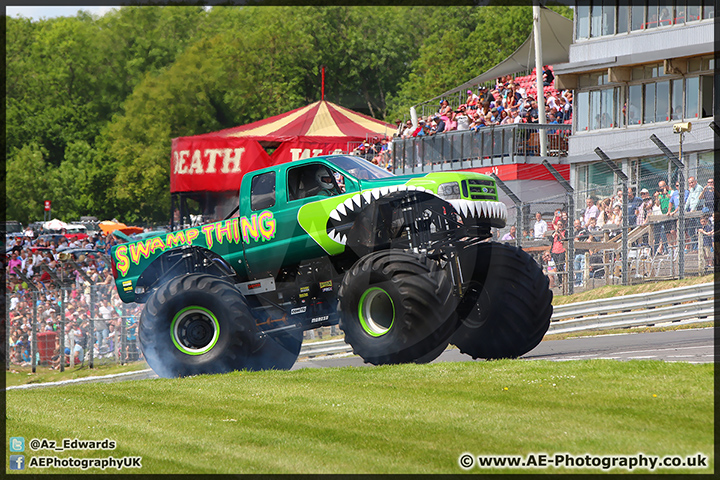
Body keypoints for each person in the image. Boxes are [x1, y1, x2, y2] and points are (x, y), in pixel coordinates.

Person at [551, 221, 567, 287]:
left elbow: (565, 240)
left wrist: (560, 235)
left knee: (561, 266)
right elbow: (550, 239)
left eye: (561, 225)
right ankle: (560, 281)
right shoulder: (555, 233)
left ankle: (562, 281)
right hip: (555, 251)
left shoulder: (565, 232)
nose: (559, 226)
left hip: (562, 250)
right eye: (558, 225)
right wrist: (555, 234)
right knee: (557, 267)